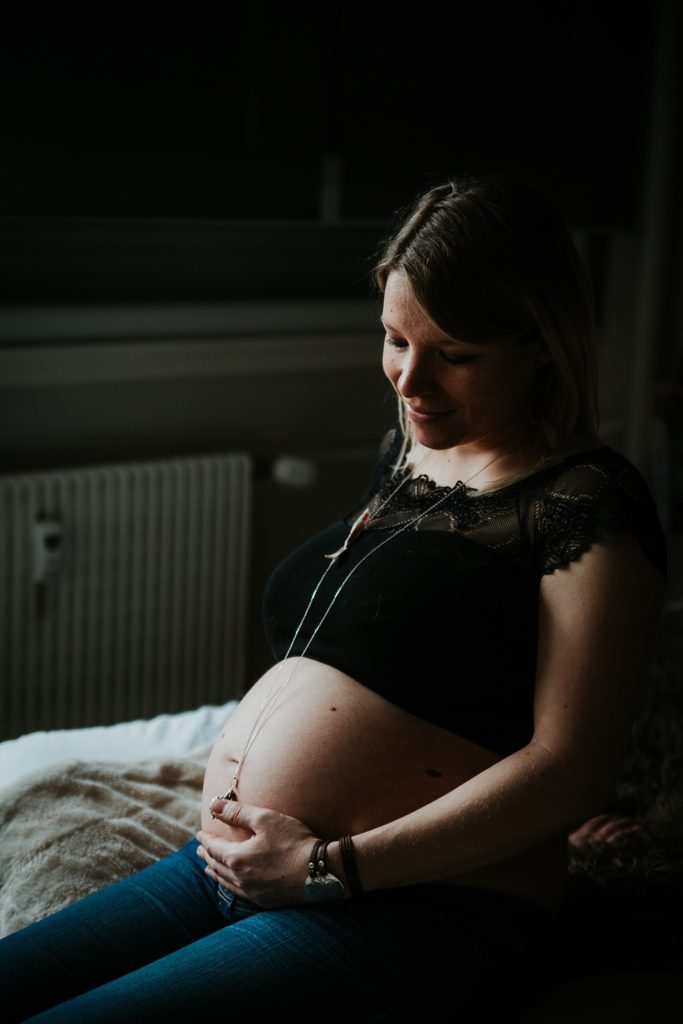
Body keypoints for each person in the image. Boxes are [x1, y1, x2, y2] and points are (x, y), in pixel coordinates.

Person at [0, 174, 667, 1021]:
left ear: (541, 342)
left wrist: (329, 867)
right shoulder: (409, 455)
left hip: (419, 904)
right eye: (393, 339)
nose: (410, 379)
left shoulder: (584, 499)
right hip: (234, 863)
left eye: (455, 354)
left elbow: (569, 768)